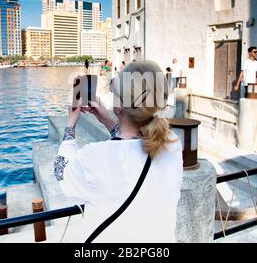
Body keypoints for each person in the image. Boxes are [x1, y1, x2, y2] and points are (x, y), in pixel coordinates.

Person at [54, 61, 183, 243]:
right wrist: (107, 119)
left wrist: (70, 125)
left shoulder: (94, 156)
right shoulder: (172, 144)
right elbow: (132, 144)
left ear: (120, 105)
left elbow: (61, 173)